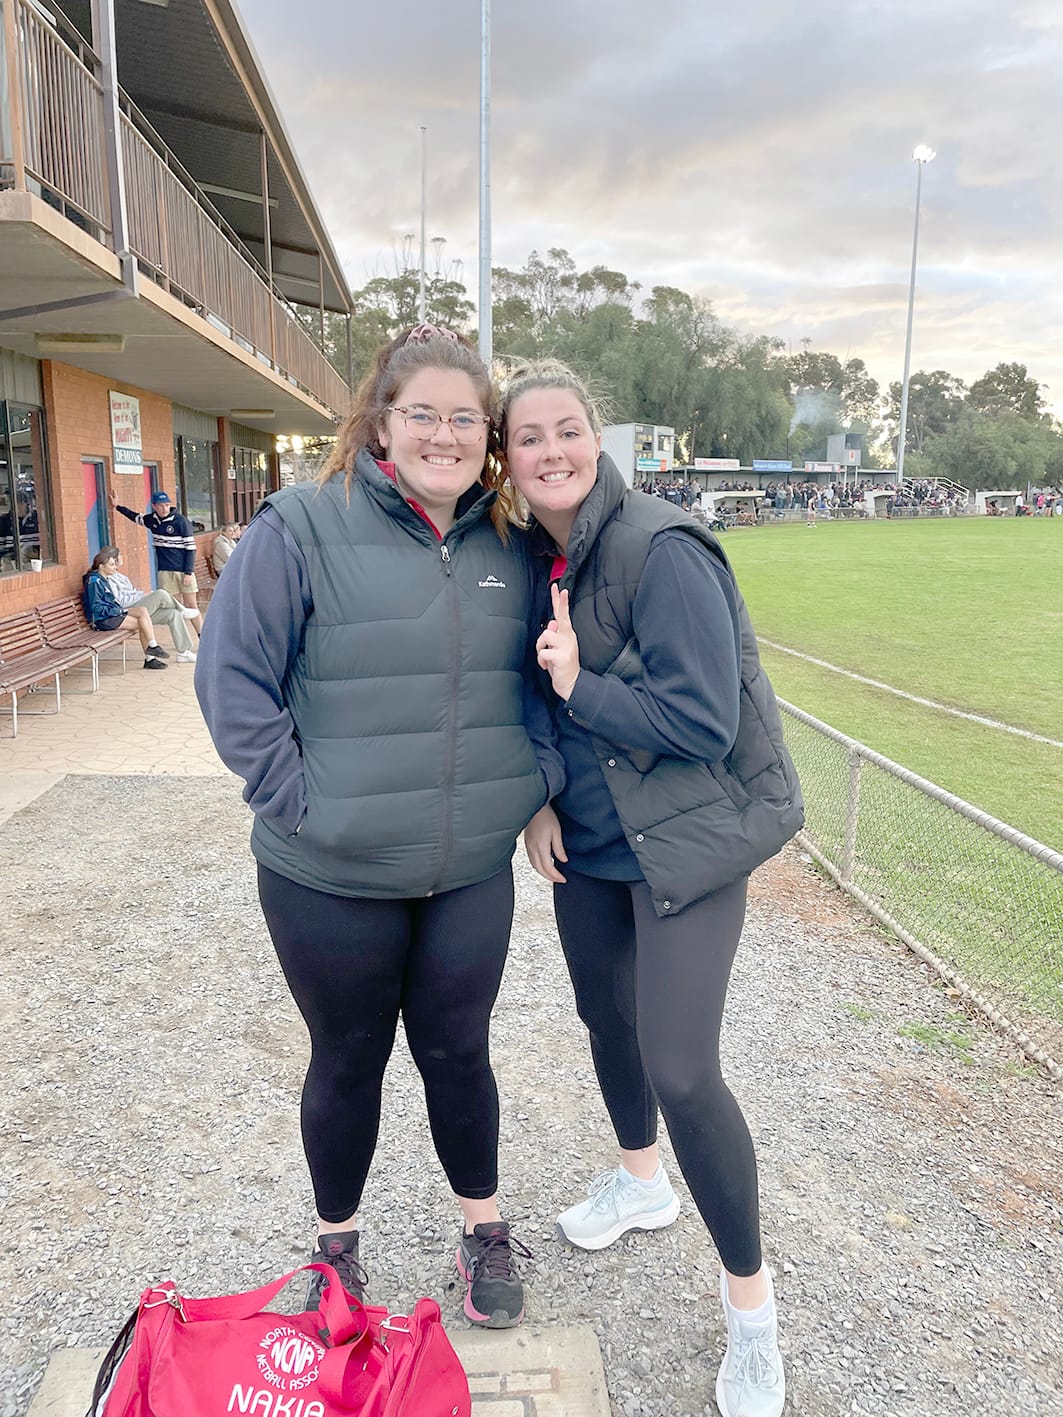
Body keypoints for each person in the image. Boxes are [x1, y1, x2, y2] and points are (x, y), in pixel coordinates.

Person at [195, 325, 561, 1331]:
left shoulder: (513, 544)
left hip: (466, 869)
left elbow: (541, 683)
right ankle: (336, 1248)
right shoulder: (302, 525)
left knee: (459, 1052)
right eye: (423, 414)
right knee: (348, 1056)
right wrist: (303, 802)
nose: (445, 435)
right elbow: (232, 682)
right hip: (328, 873)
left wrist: (536, 786)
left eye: (465, 418)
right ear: (381, 422)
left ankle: (481, 1227)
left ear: (487, 436)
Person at [499, 359, 803, 1417]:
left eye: (566, 429)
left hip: (687, 843)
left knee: (680, 1066)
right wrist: (540, 799)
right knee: (607, 1020)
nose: (551, 451)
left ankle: (751, 1311)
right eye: (528, 436)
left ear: (598, 436)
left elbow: (701, 721)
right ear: (507, 457)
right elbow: (524, 691)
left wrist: (582, 684)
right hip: (589, 841)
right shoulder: (532, 554)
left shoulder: (661, 546)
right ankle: (640, 1182)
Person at [110, 487, 204, 632]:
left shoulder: (181, 521)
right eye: (161, 505)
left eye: (167, 505)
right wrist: (117, 506)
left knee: (191, 605)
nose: (164, 508)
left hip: (183, 571)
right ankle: (183, 639)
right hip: (165, 571)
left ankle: (202, 635)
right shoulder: (151, 520)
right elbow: (135, 517)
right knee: (174, 608)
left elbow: (191, 549)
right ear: (154, 506)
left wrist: (188, 572)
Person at [102, 547, 199, 662]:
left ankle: (183, 653)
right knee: (161, 594)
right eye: (120, 555)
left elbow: (132, 592)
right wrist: (142, 596)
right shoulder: (109, 579)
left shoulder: (120, 576)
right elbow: (121, 602)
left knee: (173, 614)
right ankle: (183, 609)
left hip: (139, 608)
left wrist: (143, 595)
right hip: (129, 612)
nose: (122, 557)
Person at [83, 549, 170, 669]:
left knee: (142, 611)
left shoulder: (104, 579)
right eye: (111, 565)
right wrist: (119, 611)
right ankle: (150, 657)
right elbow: (96, 608)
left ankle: (153, 647)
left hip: (111, 615)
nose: (115, 567)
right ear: (101, 566)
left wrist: (118, 610)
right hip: (102, 620)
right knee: (143, 623)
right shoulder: (94, 581)